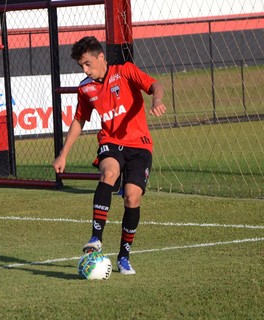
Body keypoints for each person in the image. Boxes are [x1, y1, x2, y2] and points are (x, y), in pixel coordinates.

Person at [53, 36, 166, 275]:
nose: (85, 70)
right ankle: (96, 238)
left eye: (87, 64)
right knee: (109, 172)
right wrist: (63, 154)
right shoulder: (85, 88)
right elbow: (79, 120)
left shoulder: (125, 71)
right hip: (111, 142)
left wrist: (156, 100)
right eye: (81, 66)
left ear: (101, 57)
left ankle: (124, 256)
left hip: (140, 145)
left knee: (132, 198)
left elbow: (155, 85)